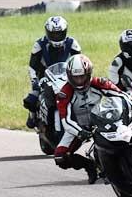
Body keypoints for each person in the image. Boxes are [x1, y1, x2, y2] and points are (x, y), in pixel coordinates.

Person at [54, 54, 126, 184]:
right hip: (78, 127)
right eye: (75, 77)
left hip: (102, 121)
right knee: (60, 157)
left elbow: (120, 95)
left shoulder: (99, 82)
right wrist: (80, 132)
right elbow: (66, 121)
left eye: (82, 76)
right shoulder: (64, 93)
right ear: (69, 76)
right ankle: (89, 166)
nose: (79, 81)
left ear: (88, 74)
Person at [23, 16, 82, 129]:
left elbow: (80, 62)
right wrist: (34, 81)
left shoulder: (72, 43)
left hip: (67, 78)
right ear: (47, 32)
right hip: (44, 79)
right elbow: (32, 67)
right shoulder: (39, 45)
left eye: (59, 34)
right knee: (31, 99)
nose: (56, 37)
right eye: (53, 34)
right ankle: (32, 115)